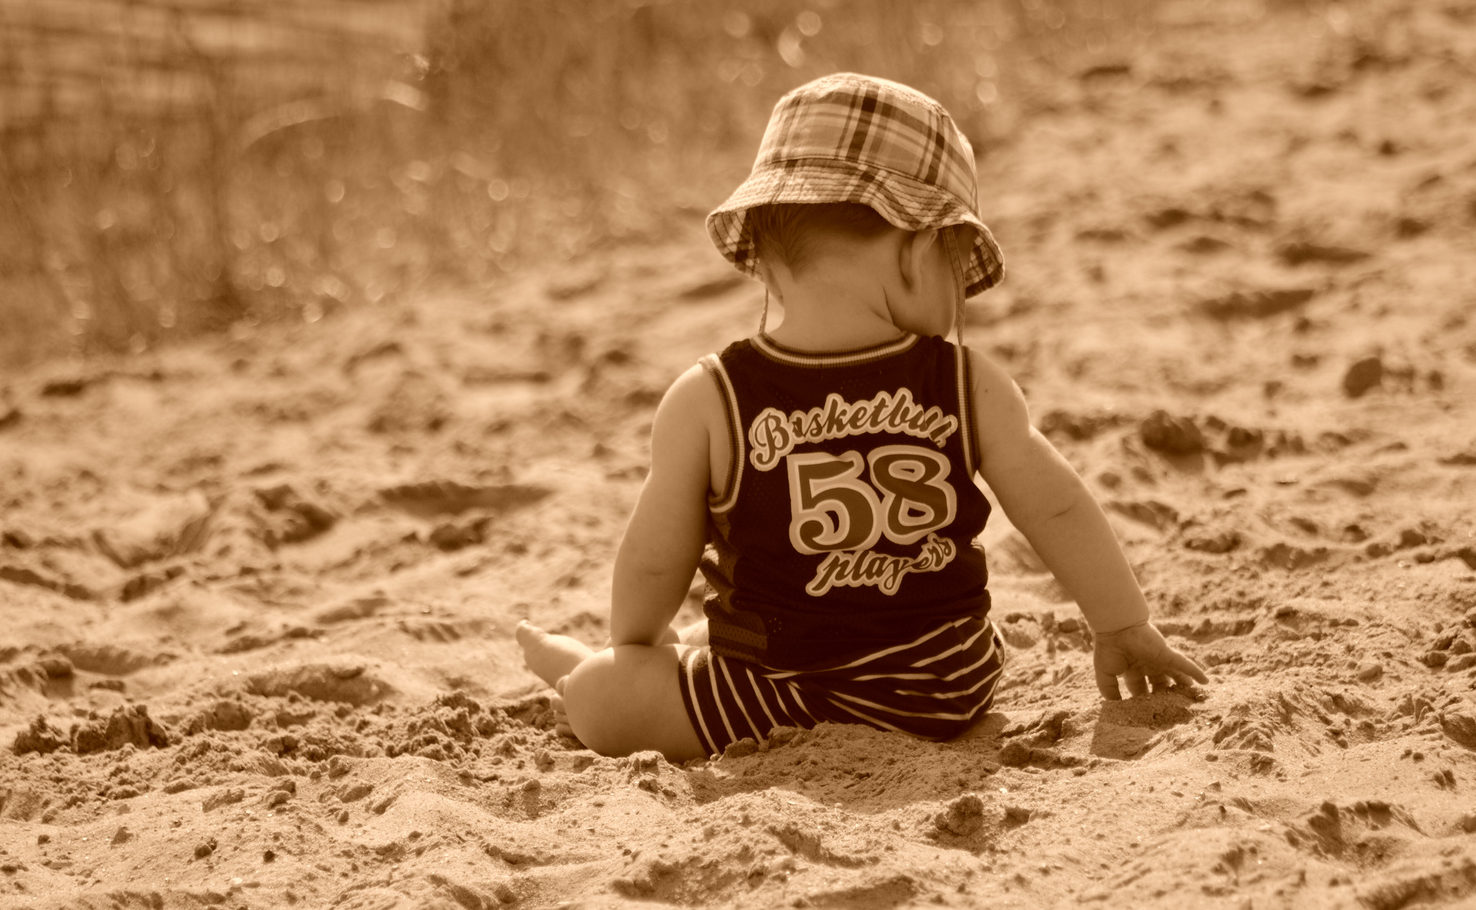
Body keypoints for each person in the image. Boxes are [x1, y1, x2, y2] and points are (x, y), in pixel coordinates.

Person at [516, 72, 1207, 762]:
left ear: (761, 257)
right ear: (915, 249)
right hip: (946, 682)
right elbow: (1056, 508)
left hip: (785, 685)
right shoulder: (967, 383)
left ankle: (578, 669)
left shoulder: (708, 399)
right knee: (714, 640)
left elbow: (653, 556)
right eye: (957, 263)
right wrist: (1121, 624)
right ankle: (667, 655)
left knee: (611, 696)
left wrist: (635, 643)